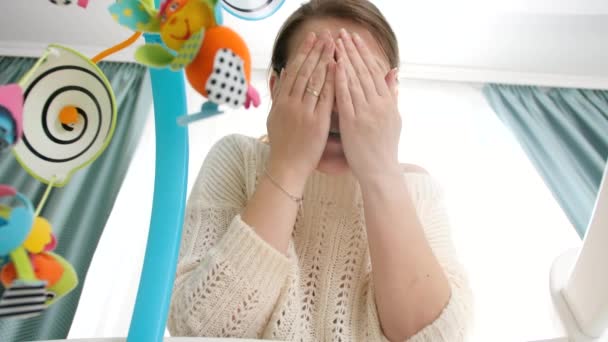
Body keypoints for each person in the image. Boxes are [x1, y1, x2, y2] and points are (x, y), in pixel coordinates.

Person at [167, 0, 473, 340]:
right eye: (314, 74)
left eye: (361, 78)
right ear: (276, 88)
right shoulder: (238, 158)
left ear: (391, 94)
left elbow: (440, 335)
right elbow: (198, 327)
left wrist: (381, 173)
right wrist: (288, 166)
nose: (338, 100)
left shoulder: (416, 188)